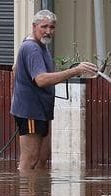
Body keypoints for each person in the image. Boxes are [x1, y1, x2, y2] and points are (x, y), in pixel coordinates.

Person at [10, 10, 97, 172]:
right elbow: (41, 80)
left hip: (41, 110)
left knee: (42, 160)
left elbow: (15, 68)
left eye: (52, 27)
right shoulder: (32, 48)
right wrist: (75, 71)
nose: (48, 31)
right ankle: (24, 195)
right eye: (44, 27)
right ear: (34, 26)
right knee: (30, 160)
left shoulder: (35, 44)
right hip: (30, 111)